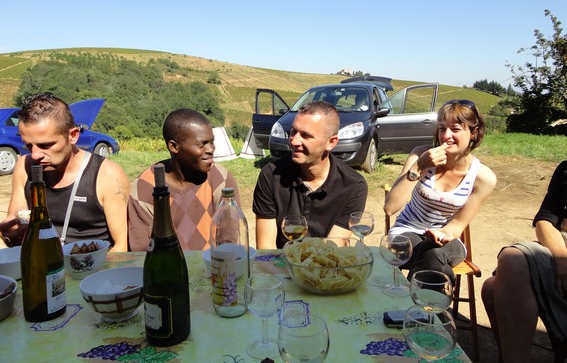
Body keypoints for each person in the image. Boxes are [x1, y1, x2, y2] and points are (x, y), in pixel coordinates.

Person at [384, 99, 497, 283]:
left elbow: (458, 225)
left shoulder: (483, 178)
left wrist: (441, 235)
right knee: (433, 258)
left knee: (434, 251)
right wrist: (419, 167)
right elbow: (390, 207)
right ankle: (433, 304)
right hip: (406, 232)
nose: (446, 136)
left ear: (473, 133)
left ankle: (412, 304)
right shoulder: (421, 155)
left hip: (447, 239)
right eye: (442, 128)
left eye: (455, 129)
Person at [0, 92, 129, 251]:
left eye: (46, 145)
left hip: (91, 268)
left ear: (73, 136)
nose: (35, 155)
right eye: (28, 145)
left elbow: (121, 246)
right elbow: (15, 235)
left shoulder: (107, 174)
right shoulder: (24, 167)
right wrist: (8, 235)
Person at [482, 161, 567, 363]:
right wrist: (562, 261)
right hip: (561, 249)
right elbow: (545, 220)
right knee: (511, 262)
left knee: (493, 287)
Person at [253, 100, 368, 249]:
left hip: (326, 267)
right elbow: (266, 248)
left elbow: (332, 248)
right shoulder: (271, 175)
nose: (294, 141)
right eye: (293, 131)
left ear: (331, 143)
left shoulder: (353, 186)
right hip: (280, 266)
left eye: (306, 136)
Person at [128, 108, 240, 251]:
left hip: (214, 268)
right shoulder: (144, 188)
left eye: (212, 142)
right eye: (201, 144)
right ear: (174, 147)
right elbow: (143, 252)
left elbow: (229, 242)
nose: (211, 149)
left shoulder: (221, 179)